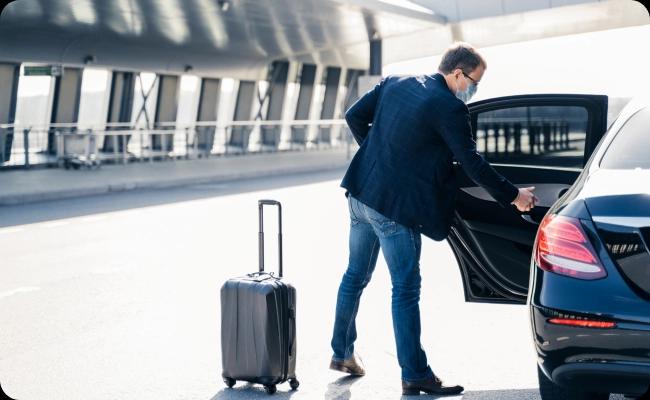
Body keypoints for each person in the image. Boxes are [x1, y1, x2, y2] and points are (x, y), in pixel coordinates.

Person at [329, 42, 537, 396]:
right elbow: (472, 164)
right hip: (394, 209)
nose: (473, 91)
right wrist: (514, 196)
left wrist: (381, 158)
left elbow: (353, 116)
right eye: (474, 82)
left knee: (355, 275)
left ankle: (342, 353)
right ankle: (415, 373)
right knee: (406, 289)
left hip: (361, 194)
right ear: (458, 73)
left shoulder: (395, 81)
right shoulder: (448, 107)